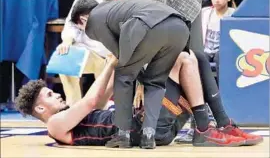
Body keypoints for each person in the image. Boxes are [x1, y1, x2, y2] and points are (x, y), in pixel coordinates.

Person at [15, 54, 262, 148]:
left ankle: (216, 124)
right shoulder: (55, 125)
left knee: (191, 59)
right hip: (148, 127)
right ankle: (206, 128)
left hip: (155, 124)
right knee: (186, 62)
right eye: (49, 95)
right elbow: (91, 101)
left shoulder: (74, 120)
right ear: (39, 108)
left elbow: (102, 95)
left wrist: (123, 60)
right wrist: (111, 63)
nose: (55, 93)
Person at [70, 0, 190, 149]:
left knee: (122, 76)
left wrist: (136, 76)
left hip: (149, 27)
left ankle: (122, 135)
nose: (86, 33)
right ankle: (148, 135)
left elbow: (120, 54)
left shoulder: (93, 21)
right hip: (180, 27)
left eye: (80, 28)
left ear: (82, 19)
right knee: (155, 82)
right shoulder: (115, 7)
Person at [56, 0, 111, 106]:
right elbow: (72, 23)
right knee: (65, 57)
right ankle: (73, 107)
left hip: (115, 55)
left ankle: (103, 112)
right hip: (91, 51)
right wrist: (67, 42)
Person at [202, 0, 236, 84]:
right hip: (206, 50)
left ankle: (222, 89)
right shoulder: (205, 12)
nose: (216, 0)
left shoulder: (233, 14)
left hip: (222, 51)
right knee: (199, 58)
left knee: (220, 57)